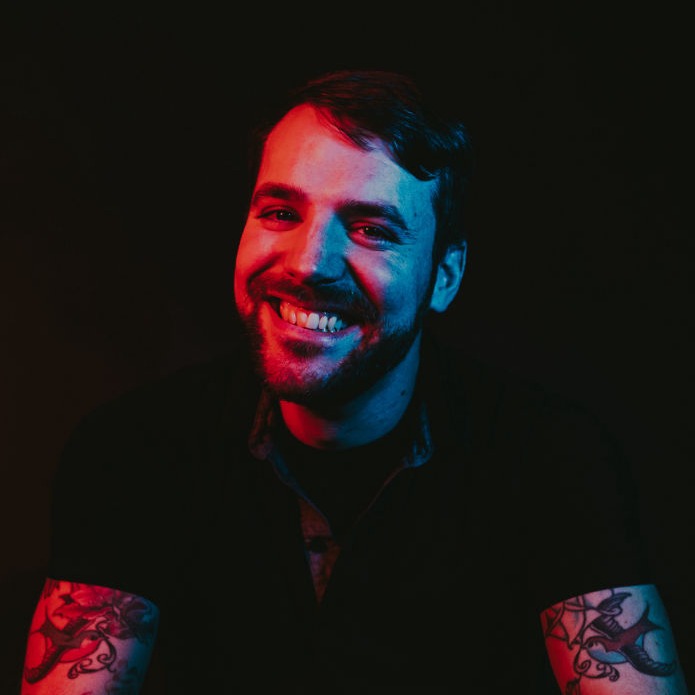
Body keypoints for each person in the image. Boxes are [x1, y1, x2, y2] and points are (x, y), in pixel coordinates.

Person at [19, 68, 689, 694]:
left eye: (371, 228)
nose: (310, 263)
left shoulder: (552, 457)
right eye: (280, 212)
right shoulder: (131, 449)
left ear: (444, 275)